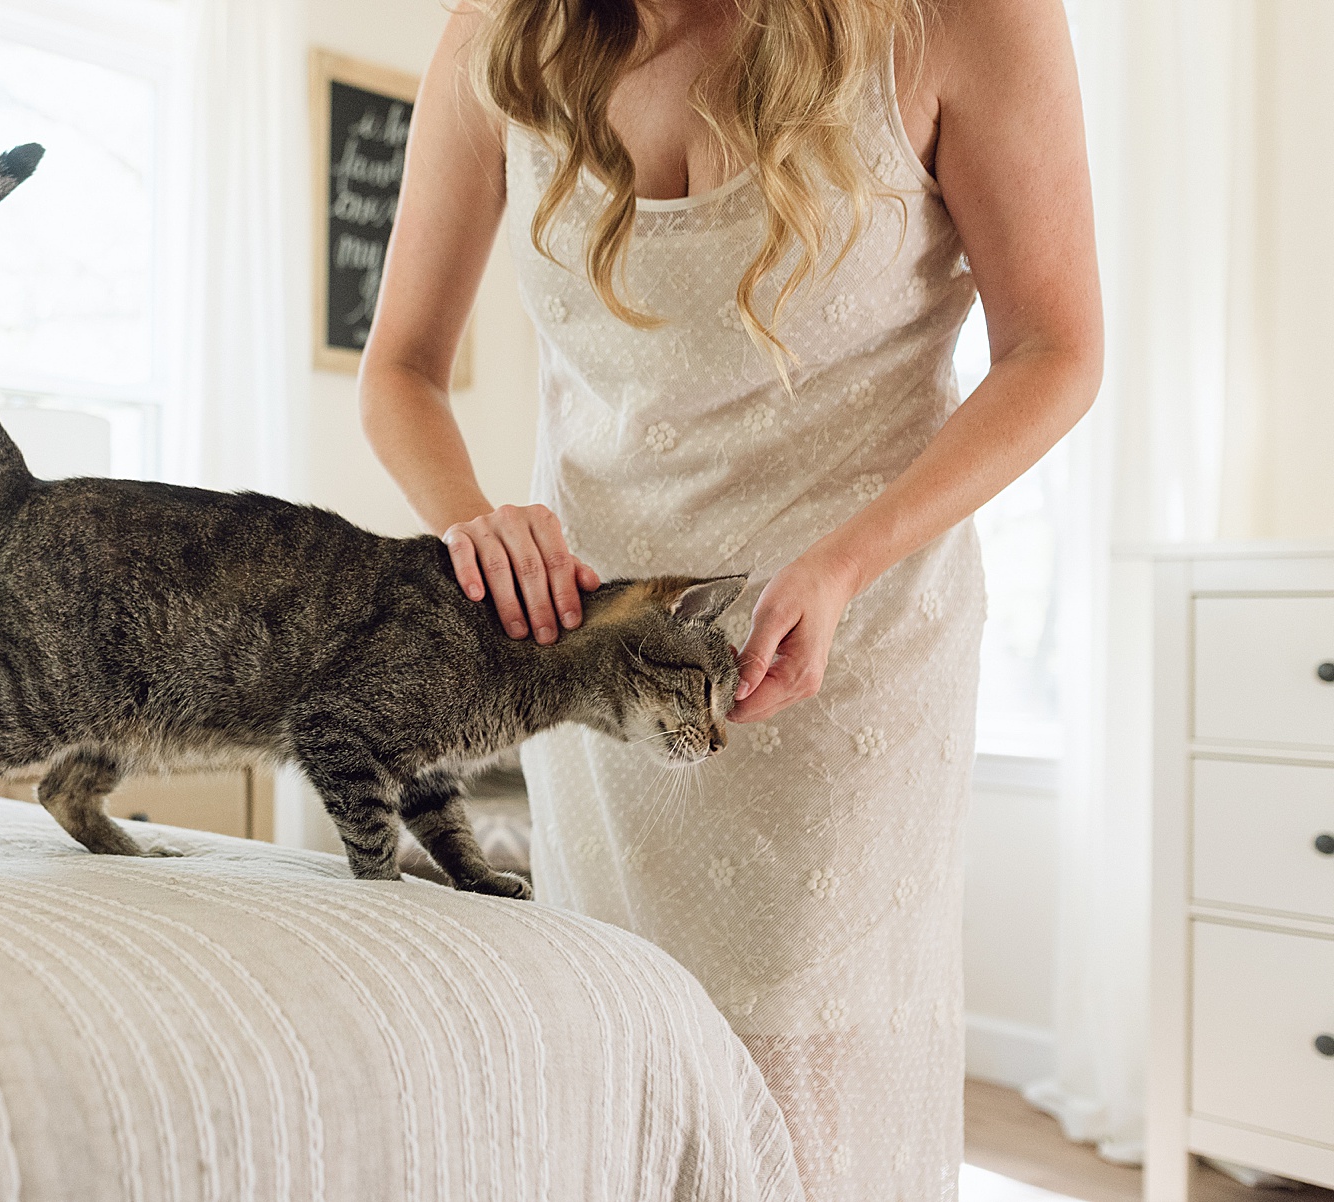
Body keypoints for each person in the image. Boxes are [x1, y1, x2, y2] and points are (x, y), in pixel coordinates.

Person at [361, 0, 1100, 1195]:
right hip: (601, 671)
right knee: (629, 1080)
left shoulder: (967, 16)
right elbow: (400, 366)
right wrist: (473, 520)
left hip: (846, 657)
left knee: (803, 1114)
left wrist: (847, 558)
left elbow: (1057, 347)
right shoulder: (500, 32)